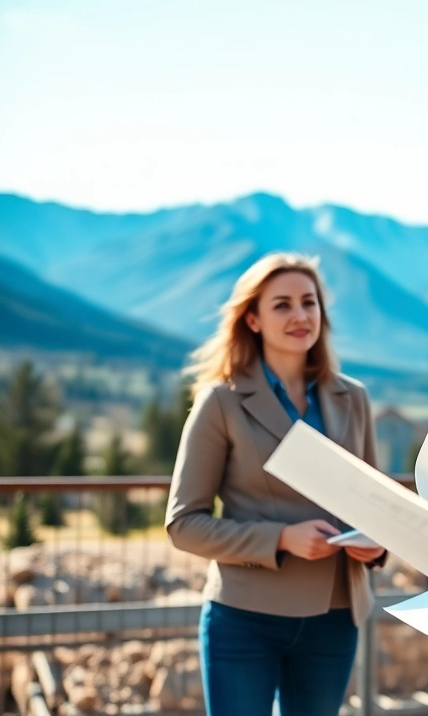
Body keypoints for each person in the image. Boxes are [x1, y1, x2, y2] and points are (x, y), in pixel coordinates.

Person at [166, 253, 386, 716]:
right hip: (246, 618)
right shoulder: (220, 402)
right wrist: (282, 538)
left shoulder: (355, 398)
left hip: (335, 615)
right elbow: (184, 524)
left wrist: (377, 545)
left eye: (309, 302)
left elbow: (374, 506)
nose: (301, 315)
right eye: (282, 305)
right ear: (252, 319)